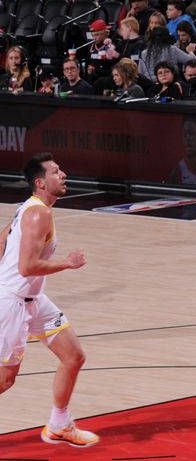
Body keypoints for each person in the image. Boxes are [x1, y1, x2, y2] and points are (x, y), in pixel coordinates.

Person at [0, 153, 98, 448]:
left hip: (33, 300)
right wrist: (67, 263)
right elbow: (27, 266)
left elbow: (3, 240)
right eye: (56, 172)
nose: (64, 174)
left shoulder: (29, 209)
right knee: (5, 380)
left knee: (73, 356)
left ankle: (59, 425)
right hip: (13, 302)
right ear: (41, 182)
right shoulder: (37, 213)